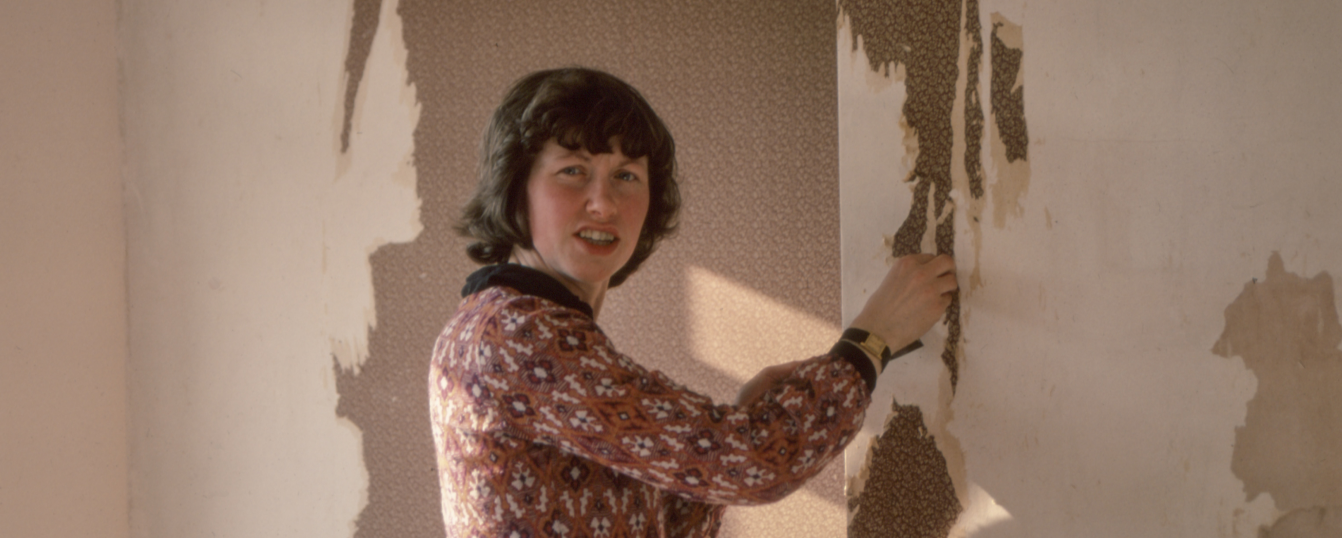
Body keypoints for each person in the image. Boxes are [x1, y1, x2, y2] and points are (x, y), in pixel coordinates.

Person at [429, 67, 957, 538]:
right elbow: (752, 465)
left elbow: (665, 518)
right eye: (573, 170)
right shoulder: (518, 334)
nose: (603, 202)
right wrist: (870, 341)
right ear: (515, 188)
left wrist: (743, 415)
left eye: (626, 176)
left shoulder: (515, 324)